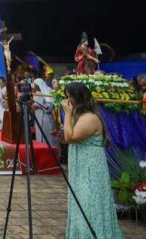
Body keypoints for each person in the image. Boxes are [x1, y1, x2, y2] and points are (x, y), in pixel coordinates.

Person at [62, 82, 124, 238]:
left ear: (78, 98)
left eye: (70, 97)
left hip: (90, 168)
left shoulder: (89, 117)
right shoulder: (81, 116)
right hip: (81, 166)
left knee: (89, 202)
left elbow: (71, 137)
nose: (68, 101)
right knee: (80, 201)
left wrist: (67, 114)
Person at [32, 79, 57, 146]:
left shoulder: (48, 91)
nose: (33, 87)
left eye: (35, 85)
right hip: (38, 118)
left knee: (48, 138)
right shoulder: (37, 93)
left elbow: (49, 107)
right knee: (40, 138)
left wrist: (38, 105)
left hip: (46, 119)